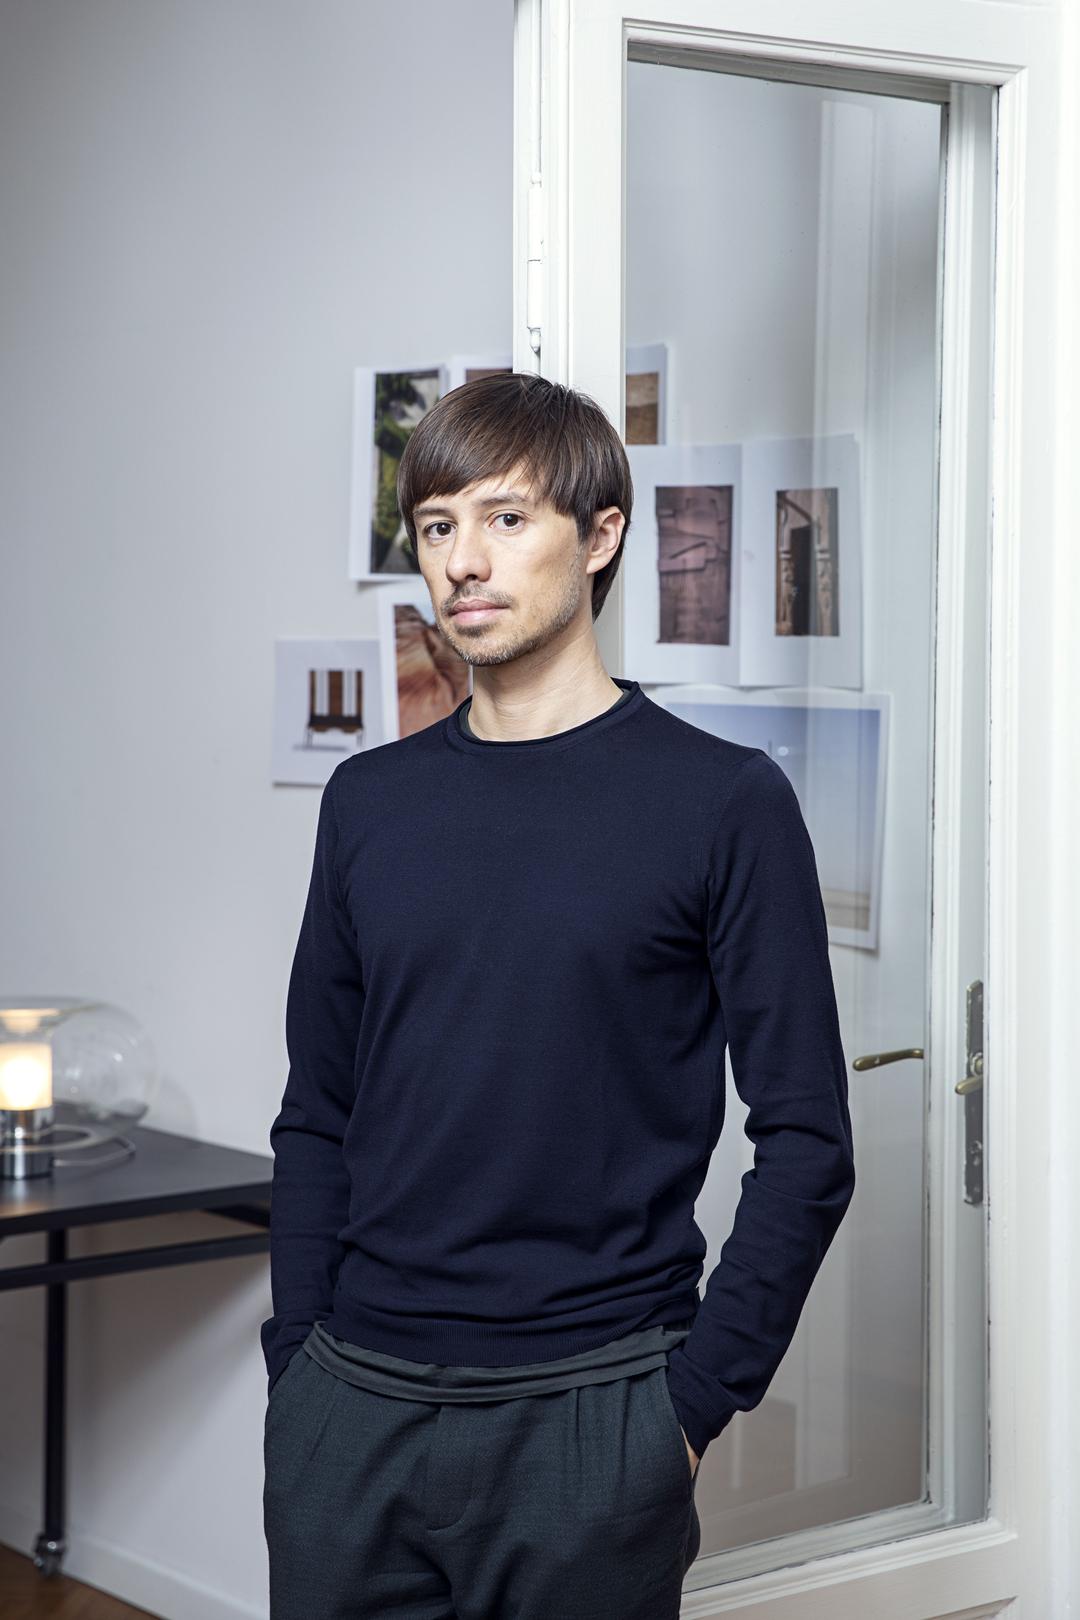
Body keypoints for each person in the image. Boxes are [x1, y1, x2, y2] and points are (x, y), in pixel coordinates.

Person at [260, 373, 856, 1619]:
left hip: (593, 1416)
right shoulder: (369, 804)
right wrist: (296, 1370)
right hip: (351, 1407)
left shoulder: (724, 802)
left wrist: (687, 1410)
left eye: (505, 518)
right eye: (437, 526)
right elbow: (317, 1112)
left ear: (601, 536)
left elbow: (808, 1141)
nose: (463, 561)